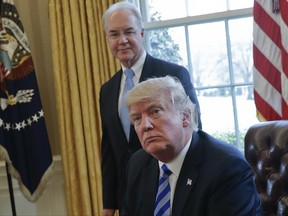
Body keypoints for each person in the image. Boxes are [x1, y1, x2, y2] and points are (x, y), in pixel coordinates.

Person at [100, 2, 202, 216]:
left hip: (170, 187)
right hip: (129, 196)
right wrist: (108, 205)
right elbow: (109, 150)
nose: (122, 40)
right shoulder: (107, 90)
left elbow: (193, 130)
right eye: (114, 34)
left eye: (129, 32)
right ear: (107, 39)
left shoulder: (173, 75)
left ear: (142, 33)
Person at [122, 76, 263, 215]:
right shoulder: (137, 164)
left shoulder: (226, 167)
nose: (145, 126)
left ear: (185, 116)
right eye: (137, 119)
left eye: (155, 111)